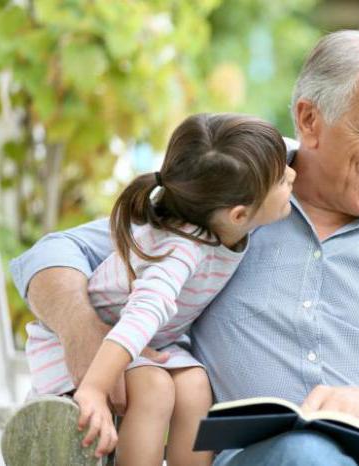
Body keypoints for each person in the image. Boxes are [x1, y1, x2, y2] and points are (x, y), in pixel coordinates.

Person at [10, 30, 359, 466]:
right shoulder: (228, 203)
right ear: (310, 119)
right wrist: (85, 335)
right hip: (263, 457)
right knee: (306, 453)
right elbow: (49, 256)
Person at [22, 113, 295, 465]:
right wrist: (93, 386)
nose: (293, 173)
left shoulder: (222, 219)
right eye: (280, 178)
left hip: (151, 345)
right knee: (155, 388)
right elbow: (141, 315)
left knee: (196, 386)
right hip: (90, 350)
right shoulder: (179, 251)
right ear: (239, 215)